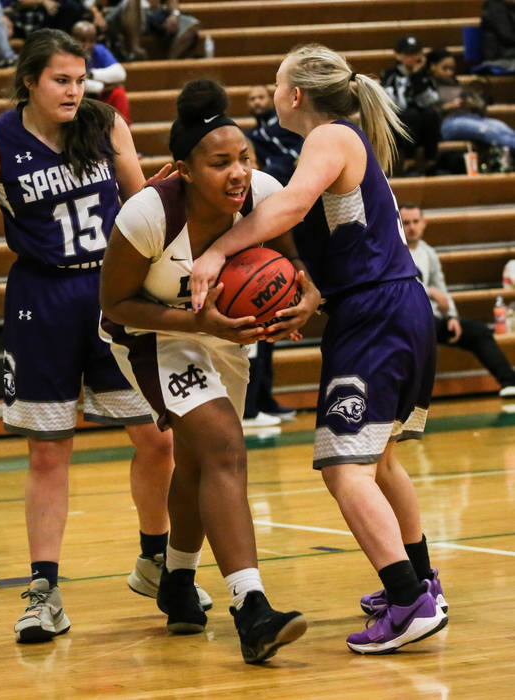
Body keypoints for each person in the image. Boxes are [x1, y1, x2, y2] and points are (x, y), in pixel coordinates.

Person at [0, 29, 211, 643]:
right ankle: (44, 590)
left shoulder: (105, 124)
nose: (74, 91)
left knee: (158, 441)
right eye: (61, 80)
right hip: (42, 300)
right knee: (50, 451)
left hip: (115, 293)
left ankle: (155, 560)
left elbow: (141, 201)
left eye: (80, 80)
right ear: (29, 80)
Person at [189, 44, 449, 655]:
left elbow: (292, 205)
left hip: (378, 317)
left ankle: (409, 602)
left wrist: (220, 250)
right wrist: (318, 299)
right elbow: (354, 240)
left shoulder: (330, 137)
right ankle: (422, 585)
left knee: (344, 467)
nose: (273, 90)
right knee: (381, 460)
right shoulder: (344, 141)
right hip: (389, 307)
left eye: (277, 82)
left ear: (296, 95)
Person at [98, 78, 313, 663]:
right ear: (184, 169)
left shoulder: (263, 191)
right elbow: (114, 304)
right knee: (223, 447)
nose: (239, 172)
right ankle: (252, 609)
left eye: (244, 157)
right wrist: (200, 325)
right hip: (154, 334)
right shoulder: (147, 214)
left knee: (198, 459)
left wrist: (306, 292)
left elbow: (292, 256)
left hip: (220, 333)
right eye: (220, 163)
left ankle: (176, 580)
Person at [400, 203, 515, 397]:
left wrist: (451, 316)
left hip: (431, 319)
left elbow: (441, 288)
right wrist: (428, 291)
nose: (411, 226)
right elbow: (398, 288)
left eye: (415, 222)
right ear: (399, 225)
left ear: (424, 223)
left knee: (478, 332)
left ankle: (509, 382)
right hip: (403, 320)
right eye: (406, 222)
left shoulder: (429, 253)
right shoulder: (394, 251)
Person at [242, 84, 304, 427]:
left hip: (265, 269)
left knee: (268, 341)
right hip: (243, 274)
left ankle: (262, 399)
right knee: (253, 343)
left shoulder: (266, 189)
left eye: (248, 159)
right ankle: (249, 407)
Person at [426, 47, 515, 171]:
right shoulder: (427, 86)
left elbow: (482, 108)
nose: (449, 73)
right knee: (489, 131)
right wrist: (448, 107)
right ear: (432, 66)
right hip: (449, 123)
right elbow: (426, 113)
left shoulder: (458, 85)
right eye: (445, 68)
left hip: (472, 118)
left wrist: (473, 104)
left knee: (501, 127)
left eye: (451, 69)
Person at [380, 35, 441, 175]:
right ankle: (409, 163)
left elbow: (430, 100)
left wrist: (416, 76)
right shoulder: (390, 76)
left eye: (416, 53)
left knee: (430, 115)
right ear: (398, 55)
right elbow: (397, 104)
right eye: (408, 54)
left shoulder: (425, 75)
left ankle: (431, 161)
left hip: (421, 122)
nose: (412, 57)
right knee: (411, 115)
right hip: (397, 123)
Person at [71, 20, 130, 123]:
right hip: (75, 101)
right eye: (82, 40)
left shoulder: (99, 50)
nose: (87, 45)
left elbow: (121, 74)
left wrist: (91, 75)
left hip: (95, 100)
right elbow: (78, 86)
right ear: (72, 39)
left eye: (91, 41)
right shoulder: (65, 55)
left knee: (119, 93)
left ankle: (123, 134)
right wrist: (103, 86)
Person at [104, 0, 199, 62]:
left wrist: (175, 14)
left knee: (192, 24)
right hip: (121, 13)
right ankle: (135, 49)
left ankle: (169, 65)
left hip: (153, 15)